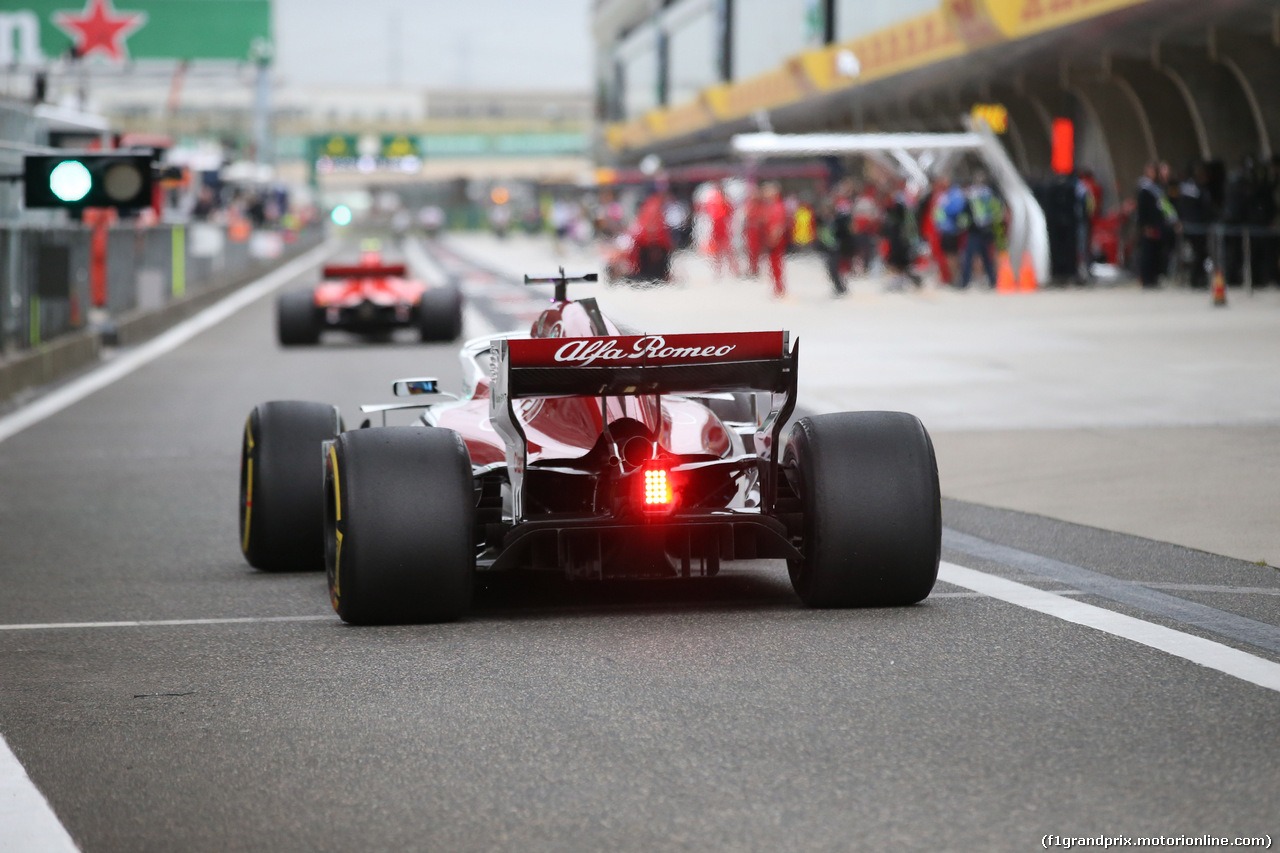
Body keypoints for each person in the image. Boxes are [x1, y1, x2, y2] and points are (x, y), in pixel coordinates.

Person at [1136, 162, 1177, 288]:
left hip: (1158, 225)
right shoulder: (1145, 189)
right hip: (1149, 226)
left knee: (1156, 252)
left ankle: (1154, 277)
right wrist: (1144, 226)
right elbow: (1142, 210)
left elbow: (1165, 207)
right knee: (1148, 252)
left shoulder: (1160, 189)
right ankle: (1147, 278)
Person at [958, 172, 1003, 289]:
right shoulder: (989, 194)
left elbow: (965, 211)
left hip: (975, 229)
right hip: (987, 228)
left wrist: (964, 225)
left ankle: (964, 282)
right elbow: (996, 210)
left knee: (969, 256)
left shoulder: (971, 194)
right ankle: (993, 281)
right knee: (986, 256)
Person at [882, 185, 921, 290]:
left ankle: (908, 280)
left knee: (902, 261)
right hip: (896, 238)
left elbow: (906, 223)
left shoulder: (900, 207)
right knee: (898, 261)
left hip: (901, 238)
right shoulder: (895, 207)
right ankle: (903, 280)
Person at [932, 176, 967, 285]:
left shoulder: (955, 194)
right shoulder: (943, 195)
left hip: (952, 230)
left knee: (953, 255)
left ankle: (956, 277)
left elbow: (956, 209)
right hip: (943, 230)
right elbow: (937, 211)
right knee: (947, 255)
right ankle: (951, 277)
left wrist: (945, 210)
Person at [702, 181, 738, 277]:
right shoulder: (713, 199)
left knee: (728, 249)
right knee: (717, 251)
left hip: (723, 226)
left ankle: (733, 269)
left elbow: (731, 212)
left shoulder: (725, 199)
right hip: (716, 226)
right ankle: (718, 270)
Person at [761, 183, 789, 297]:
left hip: (775, 239)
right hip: (771, 238)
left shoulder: (777, 206)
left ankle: (779, 287)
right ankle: (777, 287)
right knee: (773, 264)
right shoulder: (770, 206)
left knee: (776, 263)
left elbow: (779, 225)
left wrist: (774, 238)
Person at [741, 185, 766, 277]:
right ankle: (752, 268)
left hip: (757, 232)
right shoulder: (750, 205)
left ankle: (755, 269)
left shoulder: (760, 206)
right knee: (750, 251)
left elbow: (762, 219)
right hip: (750, 231)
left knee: (756, 252)